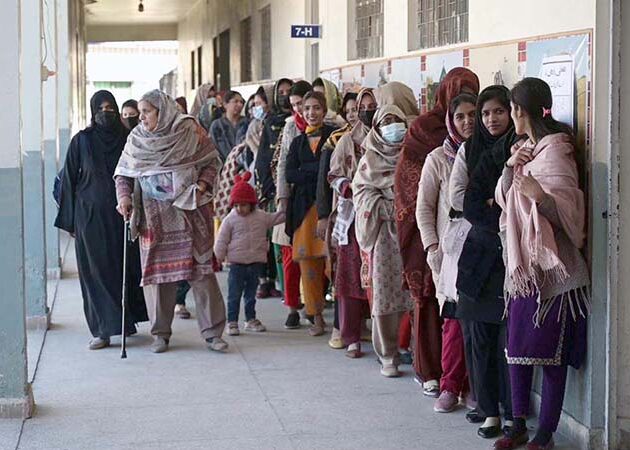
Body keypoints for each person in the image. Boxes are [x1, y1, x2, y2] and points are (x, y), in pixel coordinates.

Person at [493, 78, 590, 450]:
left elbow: (571, 211)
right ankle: (517, 423)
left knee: (553, 355)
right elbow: (503, 200)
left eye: (512, 109)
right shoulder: (525, 150)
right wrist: (509, 167)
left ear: (520, 111)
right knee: (516, 348)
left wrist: (541, 198)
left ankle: (545, 432)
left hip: (557, 271)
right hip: (523, 272)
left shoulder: (557, 153)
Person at [114, 89, 228, 354]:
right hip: (154, 220)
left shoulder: (189, 130)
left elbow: (211, 161)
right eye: (140, 112)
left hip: (191, 214)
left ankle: (213, 334)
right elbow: (123, 173)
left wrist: (202, 184)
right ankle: (160, 334)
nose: (141, 118)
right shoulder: (137, 139)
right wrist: (124, 198)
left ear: (162, 111)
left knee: (202, 273)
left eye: (146, 112)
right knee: (157, 277)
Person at [394, 67, 480, 396]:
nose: (467, 120)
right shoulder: (423, 131)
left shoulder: (485, 142)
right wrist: (430, 243)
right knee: (429, 301)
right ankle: (430, 370)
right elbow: (408, 183)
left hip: (470, 241)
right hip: (426, 234)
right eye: (457, 94)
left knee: (464, 310)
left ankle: (465, 379)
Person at [55, 90, 148, 350]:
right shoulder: (81, 141)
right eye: (102, 109)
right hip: (90, 219)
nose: (106, 114)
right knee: (95, 272)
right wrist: (71, 221)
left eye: (111, 109)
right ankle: (101, 330)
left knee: (122, 269)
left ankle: (124, 322)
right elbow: (68, 181)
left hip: (122, 217)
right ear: (93, 111)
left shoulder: (126, 138)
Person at [447, 85, 514, 426]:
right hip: (477, 256)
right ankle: (488, 410)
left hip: (510, 256)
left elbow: (518, 202)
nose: (489, 120)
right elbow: (464, 201)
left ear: (513, 112)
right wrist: (497, 208)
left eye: (496, 111)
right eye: (484, 113)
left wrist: (494, 205)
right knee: (477, 337)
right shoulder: (470, 150)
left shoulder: (520, 147)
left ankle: (509, 408)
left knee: (506, 337)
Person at [415, 93, 476, 413]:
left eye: (472, 115)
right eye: (460, 117)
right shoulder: (438, 159)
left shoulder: (489, 152)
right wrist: (432, 248)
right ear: (450, 121)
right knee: (452, 322)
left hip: (482, 252)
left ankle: (473, 386)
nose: (467, 122)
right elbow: (423, 209)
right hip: (448, 253)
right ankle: (450, 385)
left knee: (478, 323)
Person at [353, 104, 413, 378]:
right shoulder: (369, 160)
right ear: (377, 129)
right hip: (384, 236)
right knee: (385, 296)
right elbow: (362, 195)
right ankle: (388, 354)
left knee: (416, 293)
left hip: (412, 233)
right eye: (385, 121)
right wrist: (390, 207)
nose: (391, 126)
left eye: (396, 120)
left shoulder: (414, 154)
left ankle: (412, 347)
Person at [327, 87, 376, 357]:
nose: (368, 111)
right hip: (353, 216)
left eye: (373, 106)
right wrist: (348, 186)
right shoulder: (347, 140)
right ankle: (351, 336)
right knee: (350, 277)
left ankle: (380, 334)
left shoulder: (389, 137)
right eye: (363, 107)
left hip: (381, 218)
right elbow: (333, 174)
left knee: (376, 277)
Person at [285, 90, 337, 336]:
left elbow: (334, 169)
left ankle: (345, 320)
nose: (311, 113)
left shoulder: (334, 137)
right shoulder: (296, 142)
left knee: (334, 265)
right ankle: (316, 317)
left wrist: (308, 169)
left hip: (331, 208)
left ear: (324, 110)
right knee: (309, 267)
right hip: (303, 212)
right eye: (307, 109)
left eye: (316, 108)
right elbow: (289, 174)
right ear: (301, 112)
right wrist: (317, 170)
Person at [214, 172, 285, 336]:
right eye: (237, 205)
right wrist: (218, 256)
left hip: (255, 264)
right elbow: (221, 240)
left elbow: (276, 218)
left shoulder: (261, 217)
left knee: (251, 295)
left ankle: (250, 319)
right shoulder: (229, 220)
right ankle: (232, 322)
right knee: (234, 295)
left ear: (252, 203)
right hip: (236, 265)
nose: (240, 208)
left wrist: (285, 209)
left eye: (244, 205)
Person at [316, 91, 359, 349]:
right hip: (345, 214)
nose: (355, 114)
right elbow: (326, 179)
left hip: (372, 218)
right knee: (343, 271)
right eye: (352, 109)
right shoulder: (337, 139)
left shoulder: (379, 137)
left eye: (361, 109)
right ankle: (339, 327)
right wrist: (323, 215)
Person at [273, 80, 312, 328]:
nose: (299, 110)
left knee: (312, 256)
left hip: (317, 197)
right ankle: (291, 305)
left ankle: (312, 304)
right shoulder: (290, 127)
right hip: (293, 196)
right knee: (289, 254)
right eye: (294, 106)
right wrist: (282, 198)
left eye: (301, 104)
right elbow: (283, 165)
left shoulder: (331, 124)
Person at [209, 90, 248, 160]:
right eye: (236, 101)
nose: (239, 105)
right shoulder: (217, 125)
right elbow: (212, 148)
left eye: (241, 102)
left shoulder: (247, 123)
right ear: (225, 104)